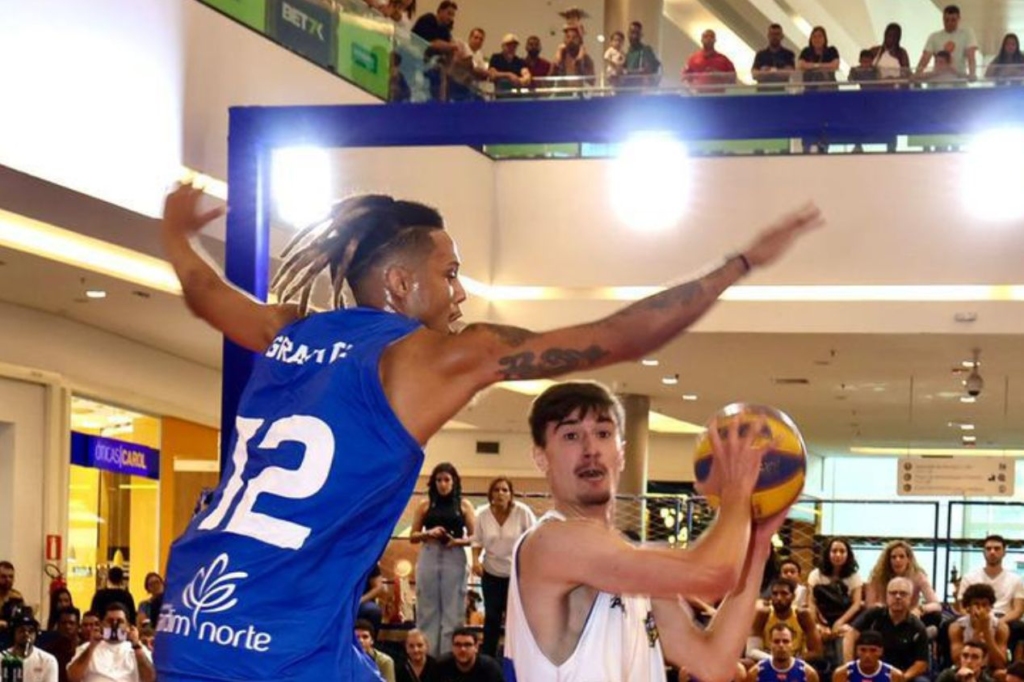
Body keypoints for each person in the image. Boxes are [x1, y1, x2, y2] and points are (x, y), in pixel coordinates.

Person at [154, 183, 821, 682]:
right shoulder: (426, 357)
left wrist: (176, 233)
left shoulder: (288, 330)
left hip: (193, 619)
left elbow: (203, 291)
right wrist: (738, 264)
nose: (459, 295)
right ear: (399, 283)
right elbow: (620, 337)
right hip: (281, 645)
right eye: (449, 275)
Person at [504, 381, 791, 681]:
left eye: (603, 433)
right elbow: (712, 575)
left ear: (621, 453)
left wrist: (757, 548)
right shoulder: (550, 543)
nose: (591, 450)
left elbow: (712, 663)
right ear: (541, 457)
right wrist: (736, 492)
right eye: (571, 435)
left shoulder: (631, 566)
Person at [411, 462, 476, 656]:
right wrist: (428, 533)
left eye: (446, 480)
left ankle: (449, 657)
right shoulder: (425, 505)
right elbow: (413, 536)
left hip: (454, 555)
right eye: (439, 480)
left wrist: (456, 541)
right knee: (427, 609)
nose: (443, 484)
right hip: (429, 554)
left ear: (454, 481)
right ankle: (427, 657)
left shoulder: (464, 505)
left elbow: (475, 537)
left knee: (453, 610)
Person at [471, 477, 536, 658]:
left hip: (516, 574)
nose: (500, 493)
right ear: (490, 494)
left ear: (511, 494)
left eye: (505, 490)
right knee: (492, 619)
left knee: (516, 619)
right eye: (496, 490)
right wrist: (475, 561)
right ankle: (488, 660)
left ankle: (517, 658)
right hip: (491, 573)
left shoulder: (522, 512)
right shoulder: (482, 515)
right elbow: (477, 541)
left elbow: (534, 539)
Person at [843, 577, 929, 682]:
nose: (897, 597)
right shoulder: (873, 615)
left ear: (910, 598)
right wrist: (850, 668)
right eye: (893, 593)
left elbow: (921, 663)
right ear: (886, 596)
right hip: (869, 671)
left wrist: (901, 678)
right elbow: (850, 635)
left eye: (903, 594)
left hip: (902, 674)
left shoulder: (918, 627)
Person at [807, 538, 863, 670]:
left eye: (842, 551)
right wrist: (816, 625)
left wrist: (840, 622)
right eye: (834, 551)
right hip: (821, 619)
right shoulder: (816, 574)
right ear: (828, 553)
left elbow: (856, 604)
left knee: (842, 642)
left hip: (845, 619)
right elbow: (811, 602)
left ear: (848, 554)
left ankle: (843, 672)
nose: (838, 555)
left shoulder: (854, 576)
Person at [68, 603, 153, 682]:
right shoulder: (86, 647)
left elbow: (150, 678)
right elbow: (73, 676)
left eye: (120, 621)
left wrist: (136, 646)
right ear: (101, 624)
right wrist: (91, 646)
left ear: (128, 626)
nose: (114, 625)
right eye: (110, 621)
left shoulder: (138, 649)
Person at [864, 541, 941, 619]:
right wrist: (881, 608)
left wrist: (920, 609)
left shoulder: (918, 576)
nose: (897, 560)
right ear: (888, 560)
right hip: (884, 616)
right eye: (893, 557)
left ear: (908, 559)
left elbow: (936, 605)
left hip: (911, 617)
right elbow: (869, 605)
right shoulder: (878, 576)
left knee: (935, 616)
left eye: (902, 556)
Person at [751, 578, 822, 660]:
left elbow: (816, 652)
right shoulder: (764, 614)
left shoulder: (802, 615)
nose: (779, 598)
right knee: (746, 662)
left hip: (796, 660)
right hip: (768, 660)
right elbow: (752, 651)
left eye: (784, 594)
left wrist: (790, 662)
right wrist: (775, 660)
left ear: (793, 596)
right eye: (775, 594)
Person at [949, 584, 1009, 672]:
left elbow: (1000, 664)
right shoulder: (957, 627)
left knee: (1000, 674)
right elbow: (958, 661)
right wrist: (978, 630)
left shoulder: (1001, 627)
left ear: (990, 607)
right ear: (968, 607)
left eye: (984, 605)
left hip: (990, 669)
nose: (980, 608)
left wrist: (986, 632)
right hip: (965, 668)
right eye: (976, 604)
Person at [916, 4, 978, 80]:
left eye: (953, 20)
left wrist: (972, 74)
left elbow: (971, 56)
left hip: (958, 81)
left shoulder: (966, 33)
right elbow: (925, 59)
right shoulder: (934, 37)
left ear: (959, 19)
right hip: (937, 81)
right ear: (943, 19)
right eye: (946, 20)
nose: (949, 23)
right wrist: (916, 75)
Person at [747, 623, 819, 682]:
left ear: (792, 644)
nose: (781, 645)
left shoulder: (808, 674)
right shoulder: (755, 673)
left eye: (785, 641)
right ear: (770, 644)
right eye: (776, 641)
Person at [1, 612, 59, 682]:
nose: (26, 634)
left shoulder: (48, 660)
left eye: (31, 631)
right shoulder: (2, 658)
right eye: (22, 630)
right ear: (13, 633)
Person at [434, 627, 503, 682]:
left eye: (467, 645)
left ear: (476, 647)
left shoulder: (489, 668)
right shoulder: (441, 666)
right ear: (452, 647)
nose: (462, 649)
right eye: (458, 644)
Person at [832, 631, 903, 682]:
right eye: (863, 650)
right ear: (856, 651)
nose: (867, 655)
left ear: (881, 651)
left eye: (873, 650)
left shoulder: (894, 675)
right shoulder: (842, 673)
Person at [752, 24, 796, 89]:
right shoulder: (760, 54)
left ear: (782, 36)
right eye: (772, 34)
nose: (774, 37)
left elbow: (790, 73)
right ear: (768, 36)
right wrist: (780, 72)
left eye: (777, 34)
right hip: (763, 91)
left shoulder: (788, 54)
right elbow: (754, 75)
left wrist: (767, 72)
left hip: (783, 91)